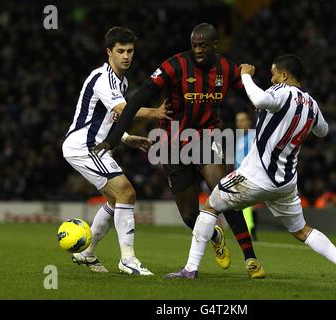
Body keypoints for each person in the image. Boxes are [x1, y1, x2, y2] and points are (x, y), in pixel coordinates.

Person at [164, 54, 336, 281]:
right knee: (302, 231)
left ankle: (190, 269)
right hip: (285, 183)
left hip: (255, 176)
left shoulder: (280, 92)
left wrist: (245, 76)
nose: (271, 79)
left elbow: (260, 101)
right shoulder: (312, 104)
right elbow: (323, 130)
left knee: (210, 207)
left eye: (273, 74)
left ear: (284, 75)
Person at [94, 23, 265, 278]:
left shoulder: (226, 68)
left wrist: (253, 84)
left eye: (203, 46)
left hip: (207, 138)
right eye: (194, 45)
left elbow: (254, 99)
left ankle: (251, 259)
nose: (197, 50)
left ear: (214, 45)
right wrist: (114, 139)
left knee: (223, 192)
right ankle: (215, 234)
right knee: (188, 215)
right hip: (174, 144)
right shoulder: (174, 66)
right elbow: (137, 99)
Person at [62, 26, 172, 275]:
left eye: (130, 51)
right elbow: (123, 110)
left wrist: (124, 137)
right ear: (108, 52)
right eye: (120, 51)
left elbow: (110, 118)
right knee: (126, 192)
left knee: (116, 199)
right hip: (84, 147)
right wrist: (155, 112)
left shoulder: (120, 81)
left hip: (97, 147)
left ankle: (87, 254)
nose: (126, 56)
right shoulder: (103, 78)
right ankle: (128, 260)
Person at [234, 111, 258, 241]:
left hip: (251, 175)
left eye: (243, 120)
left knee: (245, 205)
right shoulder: (240, 139)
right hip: (239, 175)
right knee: (243, 205)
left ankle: (249, 231)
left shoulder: (254, 136)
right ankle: (249, 231)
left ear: (249, 121)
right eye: (238, 120)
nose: (240, 123)